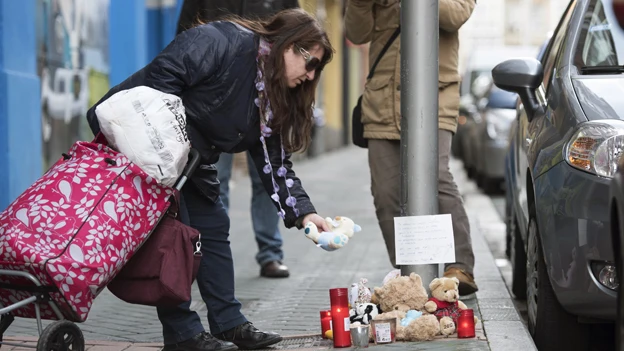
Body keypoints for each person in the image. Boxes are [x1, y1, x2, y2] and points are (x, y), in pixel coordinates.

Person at [86, 8, 334, 351]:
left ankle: (229, 323)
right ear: (289, 46)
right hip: (140, 142)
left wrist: (306, 215)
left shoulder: (271, 96)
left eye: (317, 69)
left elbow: (275, 165)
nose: (311, 76)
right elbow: (161, 79)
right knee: (174, 238)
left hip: (190, 160)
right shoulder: (222, 41)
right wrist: (171, 149)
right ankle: (183, 334)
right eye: (311, 63)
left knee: (213, 229)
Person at [344, 0, 479, 296]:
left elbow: (456, 15)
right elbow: (357, 32)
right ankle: (410, 274)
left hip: (434, 97)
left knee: (437, 179)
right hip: (381, 102)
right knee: (386, 192)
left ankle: (459, 266)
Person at [176, 0, 300, 279]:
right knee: (212, 180)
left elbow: (294, 31)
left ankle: (270, 254)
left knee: (266, 178)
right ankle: (207, 254)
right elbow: (184, 37)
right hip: (214, 99)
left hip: (265, 96)